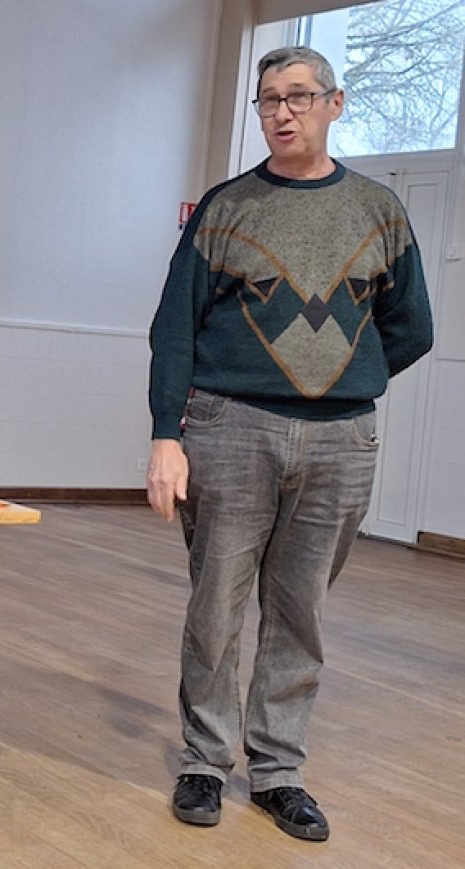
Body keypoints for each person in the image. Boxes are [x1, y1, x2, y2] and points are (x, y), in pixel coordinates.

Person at [146, 46, 434, 842]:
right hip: (229, 428)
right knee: (216, 603)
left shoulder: (378, 210)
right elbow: (174, 330)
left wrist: (345, 377)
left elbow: (412, 328)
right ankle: (205, 761)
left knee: (301, 610)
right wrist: (167, 434)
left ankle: (278, 770)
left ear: (334, 105)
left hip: (343, 440)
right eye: (269, 99)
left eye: (300, 96)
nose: (282, 112)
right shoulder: (226, 207)